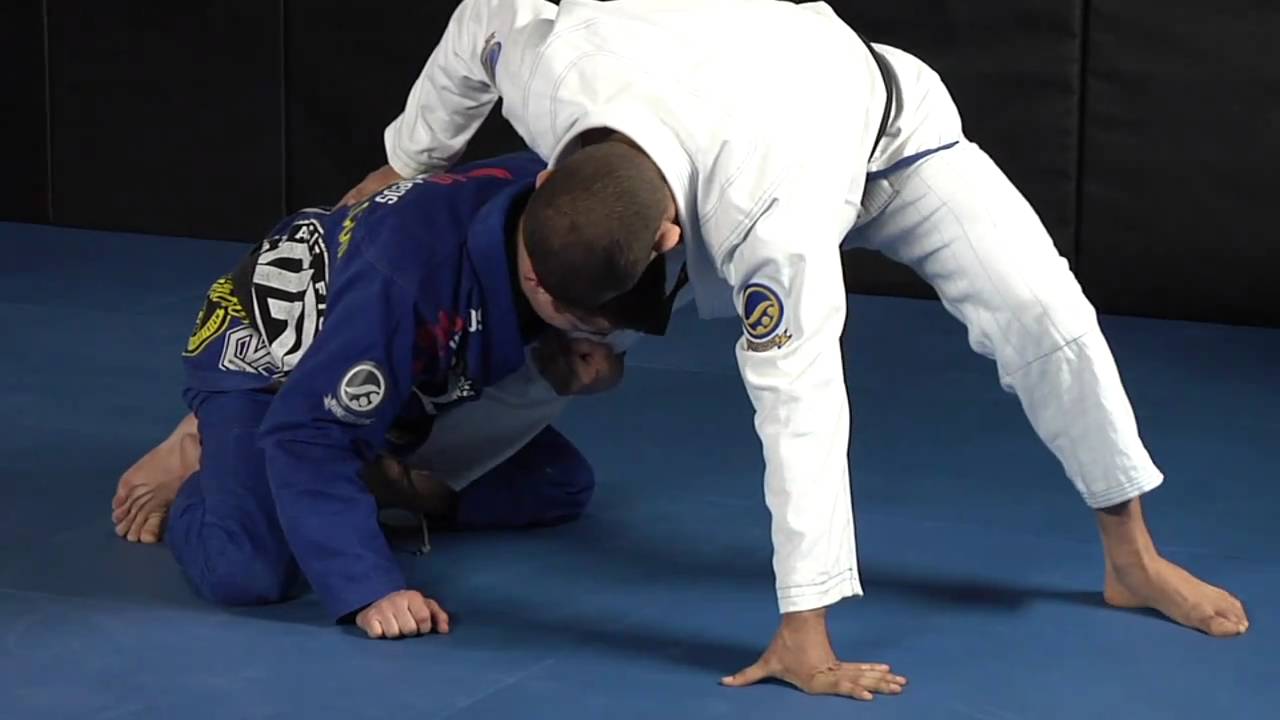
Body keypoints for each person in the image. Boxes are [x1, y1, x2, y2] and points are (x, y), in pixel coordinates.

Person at [340, 0, 1248, 699]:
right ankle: (412, 472)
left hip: (887, 144)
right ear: (550, 170)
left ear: (667, 241)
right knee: (564, 335)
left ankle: (1132, 558)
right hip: (704, 145)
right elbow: (485, 17)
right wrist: (411, 159)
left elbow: (802, 404)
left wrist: (802, 630)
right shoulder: (552, 72)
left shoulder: (770, 221)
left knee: (1043, 315)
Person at [112, 150, 623, 639]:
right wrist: (371, 589)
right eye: (579, 313)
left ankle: (369, 482)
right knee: (247, 570)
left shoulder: (573, 196)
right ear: (539, 281)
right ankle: (202, 463)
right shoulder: (402, 283)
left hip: (396, 380)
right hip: (271, 368)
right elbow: (310, 434)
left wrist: (576, 347)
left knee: (558, 483)